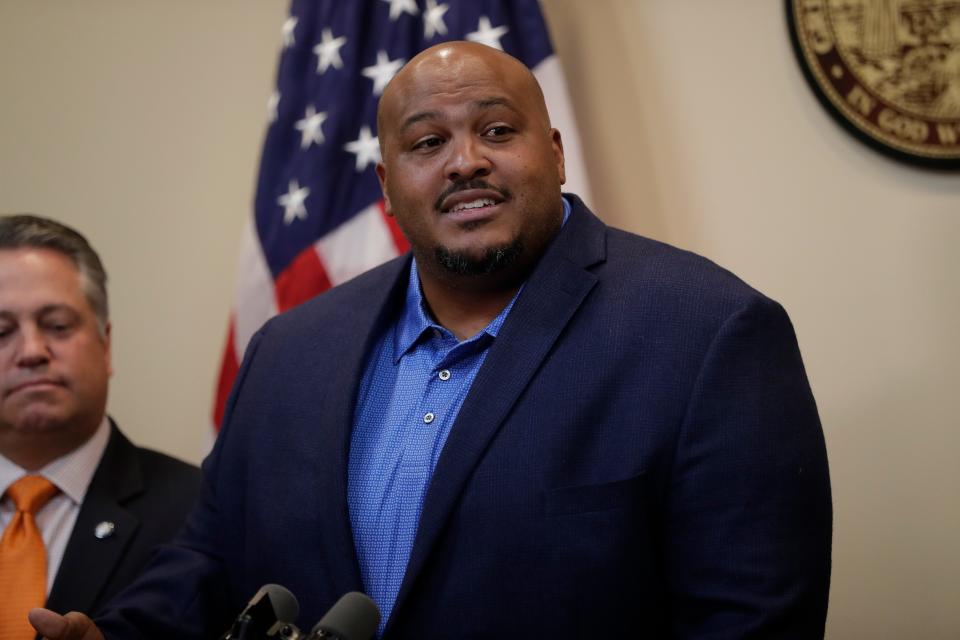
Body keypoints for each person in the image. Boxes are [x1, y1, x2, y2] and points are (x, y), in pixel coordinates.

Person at [31, 41, 832, 639]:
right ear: (385, 186)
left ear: (554, 155)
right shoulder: (288, 350)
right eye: (426, 143)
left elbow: (750, 623)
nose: (465, 162)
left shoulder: (707, 333)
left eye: (496, 130)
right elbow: (208, 559)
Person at [0, 215, 200, 638]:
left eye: (56, 326)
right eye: (2, 331)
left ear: (105, 346)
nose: (32, 351)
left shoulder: (199, 510)